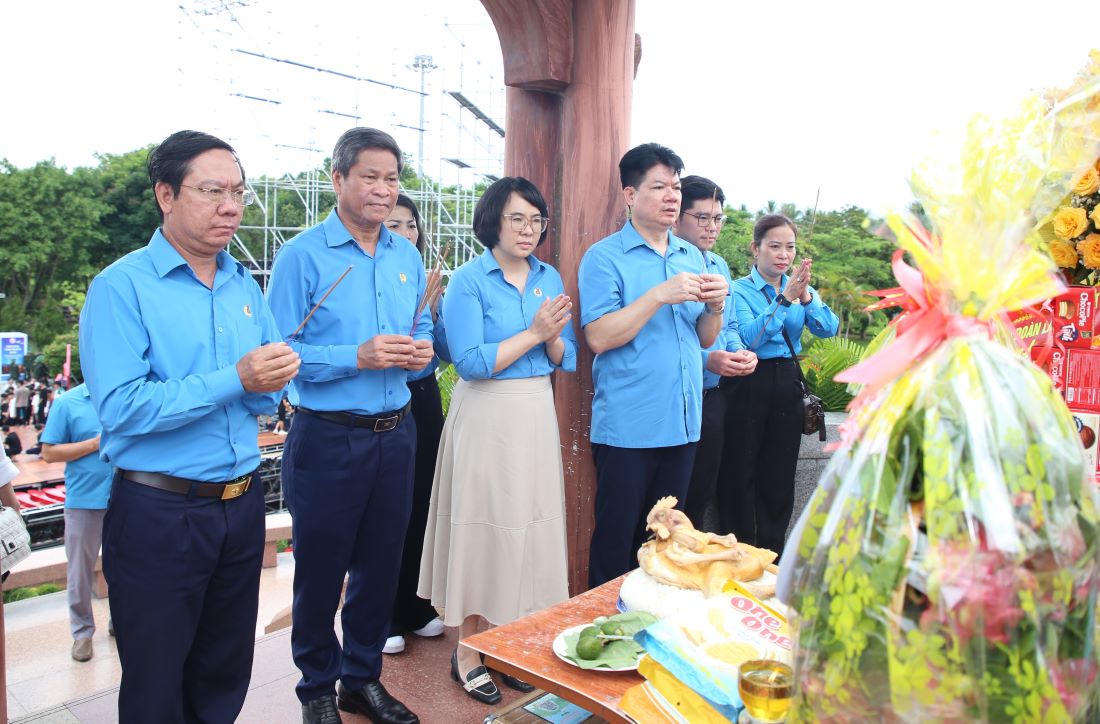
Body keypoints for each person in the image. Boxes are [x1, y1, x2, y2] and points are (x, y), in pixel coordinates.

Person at [80, 130, 300, 724]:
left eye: (238, 192)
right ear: (166, 195)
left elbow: (264, 391)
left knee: (225, 669)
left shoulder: (244, 286)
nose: (230, 205)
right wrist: (237, 378)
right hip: (159, 511)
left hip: (240, 503)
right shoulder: (120, 287)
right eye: (211, 191)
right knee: (155, 682)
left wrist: (275, 378)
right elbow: (123, 407)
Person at [266, 127, 430, 724]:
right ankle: (316, 687)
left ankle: (362, 679)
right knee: (320, 569)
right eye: (371, 177)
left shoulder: (406, 254)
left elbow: (423, 330)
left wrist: (420, 353)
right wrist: (352, 357)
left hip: (397, 430)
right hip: (328, 435)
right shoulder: (303, 255)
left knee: (380, 564)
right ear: (338, 180)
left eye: (392, 179)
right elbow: (277, 352)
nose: (384, 190)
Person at [419, 176, 576, 704]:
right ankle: (467, 652)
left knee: (527, 528)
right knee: (482, 529)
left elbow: (566, 356)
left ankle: (505, 646)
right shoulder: (469, 280)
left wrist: (552, 336)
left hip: (535, 409)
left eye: (536, 220)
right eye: (517, 219)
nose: (529, 229)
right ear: (493, 222)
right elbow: (469, 362)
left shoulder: (548, 275)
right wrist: (535, 332)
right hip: (486, 413)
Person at [578, 143, 728, 588]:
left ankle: (651, 637)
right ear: (629, 195)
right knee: (617, 543)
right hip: (629, 428)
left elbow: (703, 338)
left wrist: (716, 307)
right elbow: (599, 337)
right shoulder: (604, 258)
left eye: (676, 187)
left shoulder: (691, 255)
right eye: (659, 186)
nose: (671, 196)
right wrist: (657, 295)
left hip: (682, 425)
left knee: (666, 543)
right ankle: (604, 634)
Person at [719, 213, 839, 555]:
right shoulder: (738, 290)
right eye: (774, 246)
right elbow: (749, 337)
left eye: (790, 247)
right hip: (747, 380)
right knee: (739, 472)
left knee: (780, 475)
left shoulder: (802, 288)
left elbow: (828, 328)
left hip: (787, 381)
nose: (783, 254)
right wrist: (783, 299)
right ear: (755, 248)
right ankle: (737, 555)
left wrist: (806, 299)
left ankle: (771, 558)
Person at [380, 194, 446, 656]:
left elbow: (442, 350)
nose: (405, 234)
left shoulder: (423, 278)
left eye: (410, 225)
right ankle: (384, 614)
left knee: (424, 501)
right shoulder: (379, 276)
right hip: (384, 396)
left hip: (423, 399)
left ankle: (417, 603)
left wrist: (435, 311)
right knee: (387, 511)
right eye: (394, 225)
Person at [671, 176, 758, 528]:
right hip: (677, 395)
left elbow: (731, 326)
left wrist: (738, 352)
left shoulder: (719, 265)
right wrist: (710, 359)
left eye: (718, 218)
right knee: (668, 502)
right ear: (677, 216)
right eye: (702, 218)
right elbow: (670, 340)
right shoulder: (670, 266)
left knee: (700, 496)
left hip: (715, 395)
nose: (712, 227)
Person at [38, 383, 113, 662]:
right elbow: (49, 453)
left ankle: (120, 620)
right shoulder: (67, 403)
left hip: (125, 497)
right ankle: (82, 632)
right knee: (80, 571)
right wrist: (94, 444)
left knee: (127, 566)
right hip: (84, 501)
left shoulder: (123, 396)